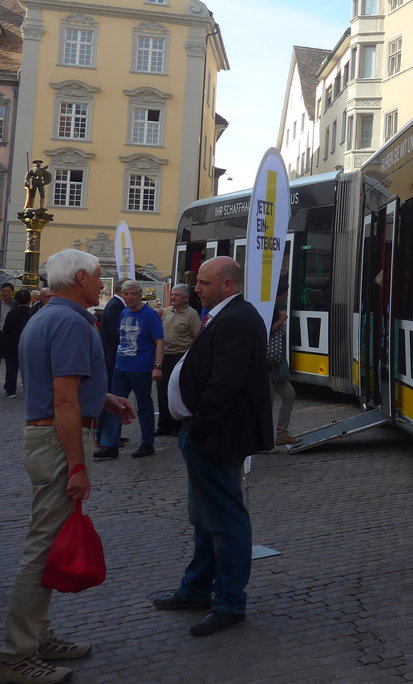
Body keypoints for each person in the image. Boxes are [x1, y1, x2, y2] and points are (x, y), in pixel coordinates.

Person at [0, 250, 135, 684]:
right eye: (98, 278)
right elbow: (62, 399)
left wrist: (103, 399)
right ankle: (15, 655)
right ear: (80, 277)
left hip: (45, 435)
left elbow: (61, 388)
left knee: (46, 540)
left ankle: (37, 637)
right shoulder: (73, 322)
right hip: (58, 442)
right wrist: (78, 465)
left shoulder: (45, 315)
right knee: (42, 549)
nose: (102, 284)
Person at [152, 256, 271, 637]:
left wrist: (199, 428)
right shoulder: (222, 315)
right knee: (204, 519)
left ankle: (230, 602)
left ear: (228, 286)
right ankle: (196, 589)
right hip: (203, 434)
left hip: (216, 437)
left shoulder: (236, 319)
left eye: (203, 283)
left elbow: (225, 384)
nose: (195, 288)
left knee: (225, 521)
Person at [94, 281, 164, 460]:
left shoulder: (149, 314)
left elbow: (159, 341)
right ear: (122, 295)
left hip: (141, 368)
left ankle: (147, 443)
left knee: (144, 406)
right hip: (121, 366)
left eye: (133, 294)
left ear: (139, 295)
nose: (130, 297)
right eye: (127, 294)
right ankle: (110, 444)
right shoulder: (124, 312)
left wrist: (157, 366)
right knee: (114, 405)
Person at [157, 285, 200, 437]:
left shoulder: (192, 315)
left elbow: (197, 338)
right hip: (164, 355)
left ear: (186, 298)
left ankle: (177, 425)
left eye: (177, 295)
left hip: (180, 356)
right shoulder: (167, 311)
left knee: (176, 391)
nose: (173, 297)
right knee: (162, 391)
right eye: (172, 294)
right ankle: (163, 425)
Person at [266, 287, 297, 449]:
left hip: (276, 366)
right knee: (267, 404)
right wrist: (281, 321)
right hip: (267, 367)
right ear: (283, 295)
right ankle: (264, 442)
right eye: (285, 296)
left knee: (289, 394)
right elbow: (264, 332)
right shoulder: (269, 309)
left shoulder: (273, 308)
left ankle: (282, 434)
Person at [3, 290, 32, 398]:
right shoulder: (32, 312)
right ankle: (29, 389)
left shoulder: (12, 313)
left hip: (12, 344)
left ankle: (11, 391)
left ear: (16, 300)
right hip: (28, 344)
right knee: (29, 367)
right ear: (29, 300)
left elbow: (6, 329)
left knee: (11, 368)